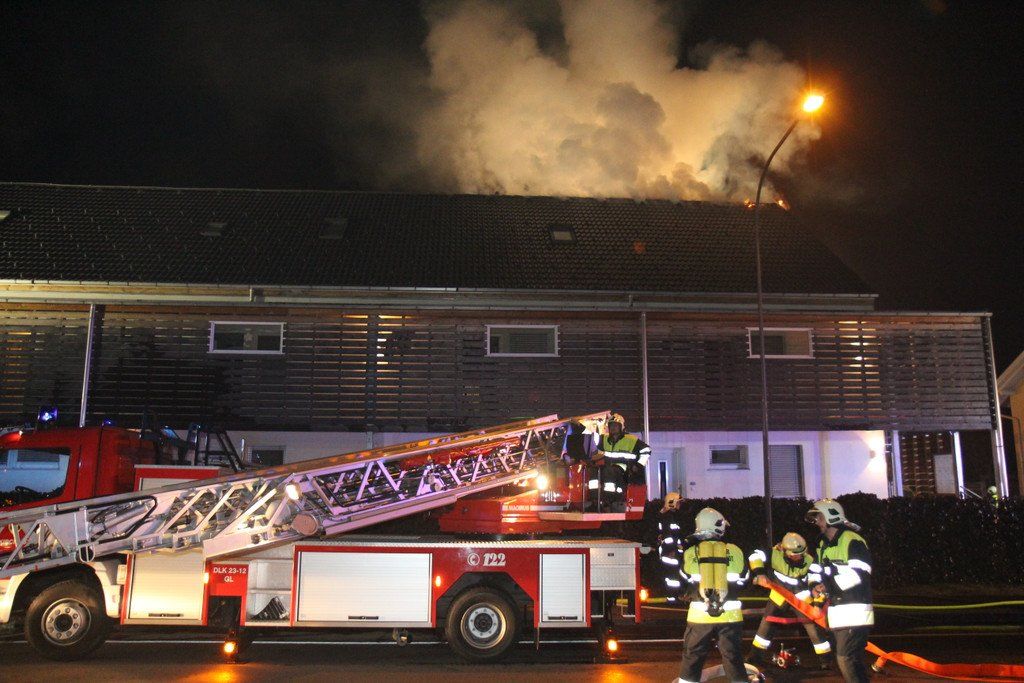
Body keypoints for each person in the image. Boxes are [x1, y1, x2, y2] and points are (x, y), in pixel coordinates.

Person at [674, 507, 750, 683]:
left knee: (693, 656)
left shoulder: (691, 552)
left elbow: (683, 578)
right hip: (730, 616)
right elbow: (744, 579)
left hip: (699, 616)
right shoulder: (735, 551)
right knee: (733, 657)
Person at [806, 499, 873, 683]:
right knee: (852, 661)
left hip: (856, 612)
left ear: (830, 517)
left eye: (819, 517)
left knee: (846, 659)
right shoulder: (823, 545)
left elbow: (860, 574)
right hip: (838, 613)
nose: (817, 522)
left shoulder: (853, 541)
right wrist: (814, 585)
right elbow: (814, 571)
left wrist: (828, 585)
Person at [747, 532, 834, 670]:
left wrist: (817, 603)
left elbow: (816, 582)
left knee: (814, 629)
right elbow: (754, 555)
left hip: (801, 598)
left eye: (801, 553)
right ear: (784, 551)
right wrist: (760, 573)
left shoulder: (810, 561)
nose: (799, 557)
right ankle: (755, 657)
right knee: (766, 626)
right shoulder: (774, 554)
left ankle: (826, 661)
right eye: (794, 554)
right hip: (779, 595)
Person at [586, 413, 651, 511]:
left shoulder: (630, 439)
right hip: (608, 467)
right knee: (594, 470)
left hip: (624, 469)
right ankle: (595, 500)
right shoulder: (604, 439)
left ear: (621, 427)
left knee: (609, 471)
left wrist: (638, 465)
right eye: (611, 426)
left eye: (616, 426)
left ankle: (608, 500)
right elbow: (592, 444)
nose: (613, 428)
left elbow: (647, 450)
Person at [657, 492, 684, 599]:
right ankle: (672, 598)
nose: (680, 505)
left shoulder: (669, 516)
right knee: (672, 577)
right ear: (672, 503)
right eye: (678, 503)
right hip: (669, 553)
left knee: (673, 576)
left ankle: (674, 596)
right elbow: (668, 537)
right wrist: (672, 550)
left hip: (671, 551)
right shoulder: (668, 517)